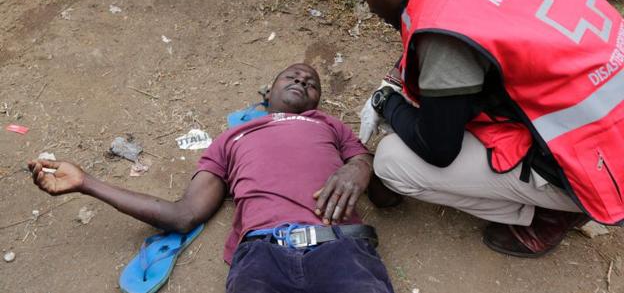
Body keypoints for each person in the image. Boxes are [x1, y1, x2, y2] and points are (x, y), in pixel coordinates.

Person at [344, 0, 624, 258]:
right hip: (608, 114)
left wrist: (386, 103)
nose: (369, 9)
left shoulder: (441, 33)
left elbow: (437, 148)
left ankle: (551, 211)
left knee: (391, 160)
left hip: (602, 163)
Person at [29, 63, 395, 293]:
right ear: (268, 93)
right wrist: (86, 183)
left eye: (311, 83)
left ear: (317, 102)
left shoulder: (328, 125)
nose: (302, 79)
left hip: (341, 249)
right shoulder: (231, 139)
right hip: (263, 257)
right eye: (292, 76)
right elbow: (183, 215)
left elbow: (387, 197)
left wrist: (360, 165)